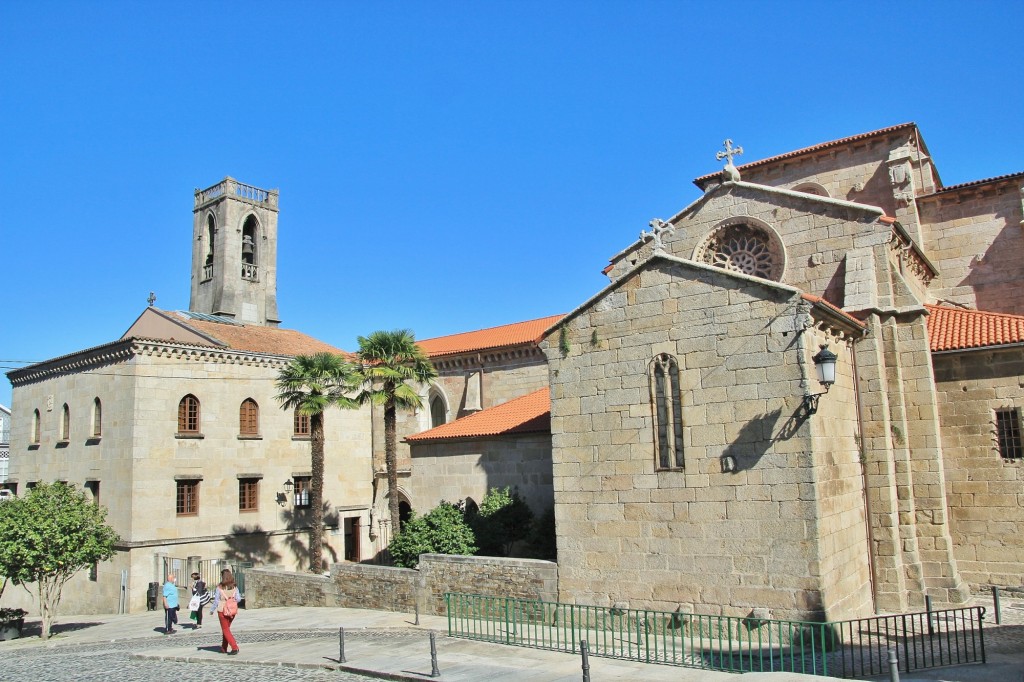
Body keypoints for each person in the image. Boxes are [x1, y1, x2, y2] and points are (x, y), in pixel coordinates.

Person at [211, 568, 241, 654]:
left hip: (222, 610)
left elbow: (216, 601)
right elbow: (238, 599)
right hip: (232, 611)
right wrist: (232, 601)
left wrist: (212, 610)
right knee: (226, 629)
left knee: (225, 629)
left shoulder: (220, 587)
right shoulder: (234, 586)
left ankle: (234, 647)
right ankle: (224, 648)